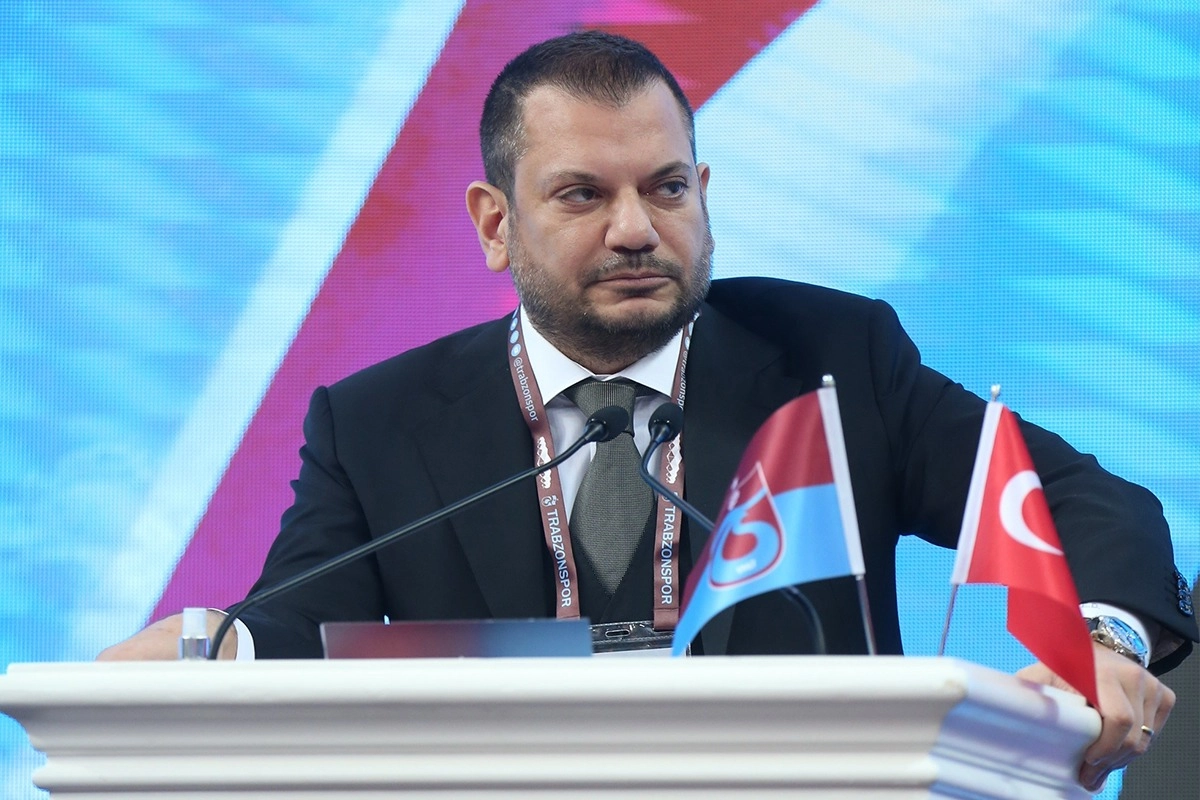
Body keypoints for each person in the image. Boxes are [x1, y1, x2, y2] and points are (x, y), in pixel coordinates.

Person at [100, 31, 1196, 793]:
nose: (636, 228)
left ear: (703, 193)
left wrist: (1100, 639)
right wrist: (208, 645)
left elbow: (1084, 500)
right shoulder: (378, 420)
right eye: (584, 194)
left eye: (667, 188)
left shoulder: (830, 360)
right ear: (494, 224)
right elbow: (298, 622)